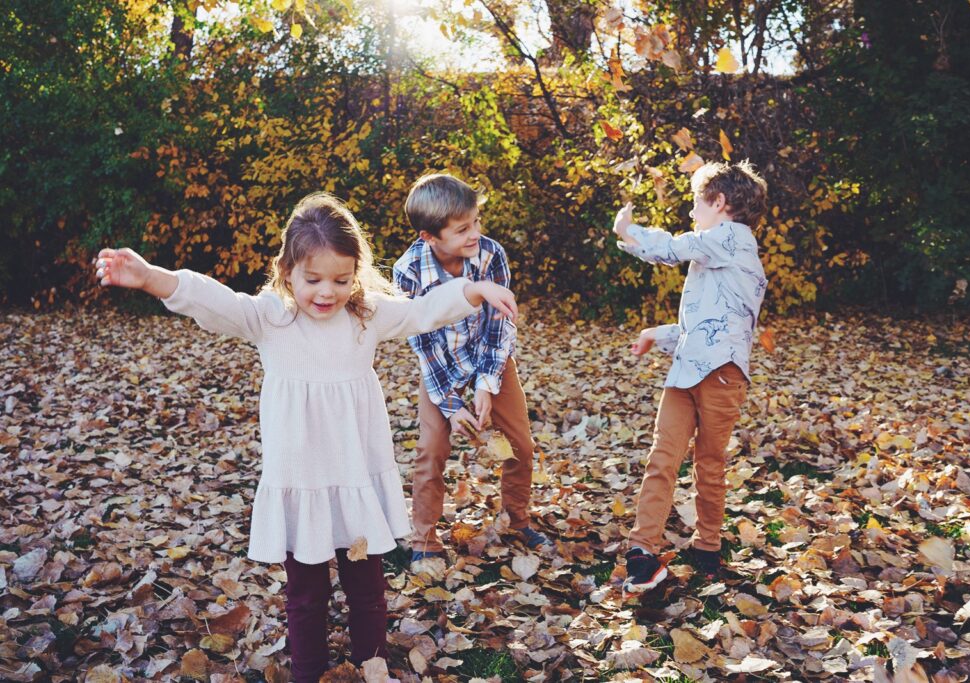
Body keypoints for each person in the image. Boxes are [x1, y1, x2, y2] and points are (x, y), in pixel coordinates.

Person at [93, 192, 518, 681]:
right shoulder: (270, 318)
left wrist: (476, 290)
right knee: (306, 591)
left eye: (340, 279)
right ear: (286, 270)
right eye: (312, 279)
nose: (326, 292)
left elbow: (422, 312)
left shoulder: (365, 316)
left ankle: (372, 658)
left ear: (355, 273)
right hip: (301, 479)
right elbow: (212, 299)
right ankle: (309, 670)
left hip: (355, 474)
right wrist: (149, 277)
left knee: (366, 581)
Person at [612, 160, 769, 596]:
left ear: (720, 204)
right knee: (662, 457)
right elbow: (702, 325)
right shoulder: (713, 253)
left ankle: (707, 546)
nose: (691, 213)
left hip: (722, 376)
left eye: (696, 203)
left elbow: (676, 247)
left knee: (709, 462)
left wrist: (630, 231)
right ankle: (642, 552)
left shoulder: (734, 240)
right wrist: (656, 334)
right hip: (687, 370)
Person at [392, 173, 552, 562]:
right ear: (430, 236)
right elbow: (423, 342)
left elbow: (500, 324)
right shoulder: (409, 271)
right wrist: (450, 404)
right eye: (463, 228)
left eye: (476, 222)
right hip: (440, 369)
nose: (475, 233)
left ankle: (517, 520)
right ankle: (425, 540)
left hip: (489, 358)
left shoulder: (490, 254)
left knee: (521, 446)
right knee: (431, 450)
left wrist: (486, 384)